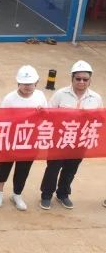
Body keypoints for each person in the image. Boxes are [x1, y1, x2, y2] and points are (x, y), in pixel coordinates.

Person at [40, 60, 102, 210]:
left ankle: (63, 194)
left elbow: (99, 118)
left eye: (85, 79)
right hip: (60, 139)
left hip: (80, 140)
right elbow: (49, 113)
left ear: (90, 80)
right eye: (78, 78)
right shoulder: (60, 94)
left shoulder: (96, 98)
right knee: (53, 167)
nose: (81, 82)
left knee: (71, 168)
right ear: (72, 78)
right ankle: (46, 195)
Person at [0, 66, 47, 211]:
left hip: (30, 140)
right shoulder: (10, 98)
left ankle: (17, 195)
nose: (27, 87)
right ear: (18, 83)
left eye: (30, 83)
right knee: (4, 167)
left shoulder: (40, 96)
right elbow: (1, 118)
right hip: (11, 139)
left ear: (36, 83)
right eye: (24, 83)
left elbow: (47, 116)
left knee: (23, 169)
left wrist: (42, 113)